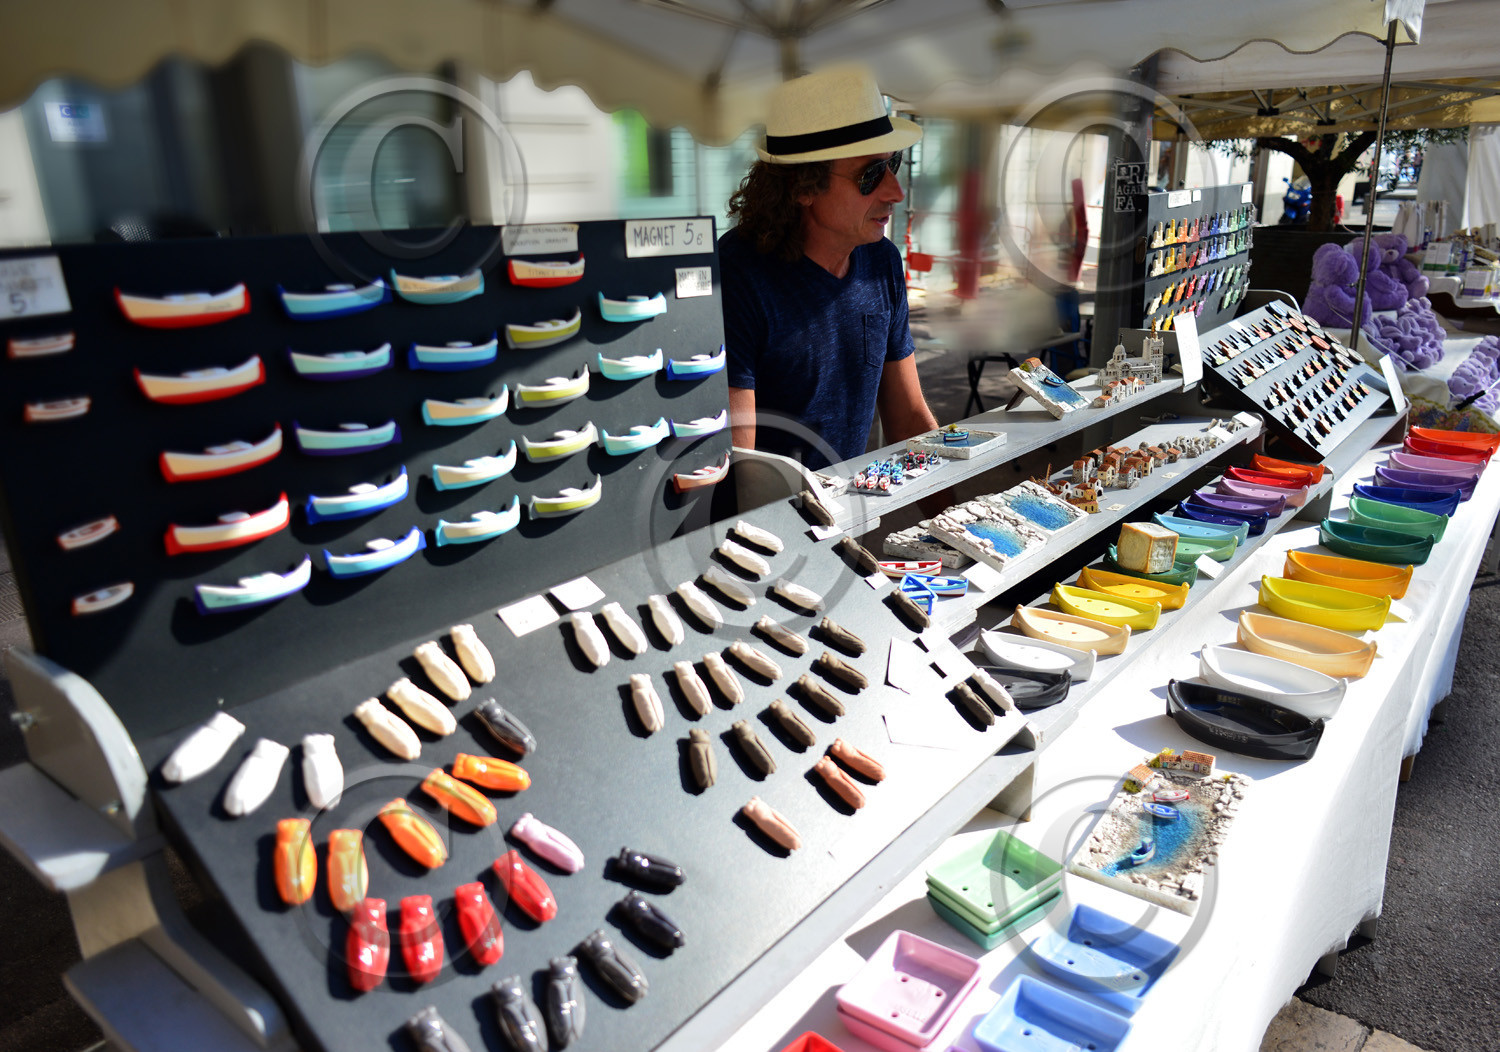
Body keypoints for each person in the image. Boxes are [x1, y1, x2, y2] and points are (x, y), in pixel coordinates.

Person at [720, 65, 939, 470]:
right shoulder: (738, 274)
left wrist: (958, 521)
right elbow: (742, 466)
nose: (895, 191)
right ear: (803, 186)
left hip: (849, 515)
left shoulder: (882, 261)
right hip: (769, 525)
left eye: (895, 164)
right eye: (871, 173)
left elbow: (907, 418)